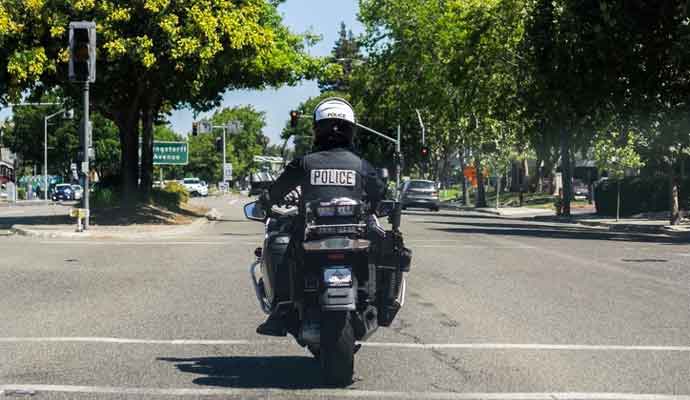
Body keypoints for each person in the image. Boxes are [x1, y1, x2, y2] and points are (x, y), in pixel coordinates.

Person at [256, 97, 386, 336]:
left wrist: (264, 203)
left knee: (282, 244)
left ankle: (283, 308)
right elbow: (380, 193)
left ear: (318, 129)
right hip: (354, 237)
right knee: (376, 245)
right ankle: (369, 299)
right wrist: (376, 206)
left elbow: (275, 192)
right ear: (350, 130)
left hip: (310, 236)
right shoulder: (360, 165)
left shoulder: (304, 163)